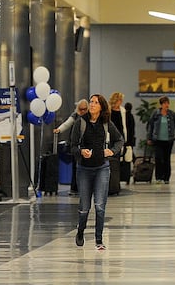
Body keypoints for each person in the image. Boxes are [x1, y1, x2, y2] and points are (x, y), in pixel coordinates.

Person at [69, 94, 123, 251]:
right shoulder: (81, 122)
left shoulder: (106, 123)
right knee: (85, 207)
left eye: (96, 103)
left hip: (102, 168)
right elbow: (72, 146)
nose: (92, 105)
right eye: (91, 102)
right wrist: (81, 151)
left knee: (100, 206)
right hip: (84, 169)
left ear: (101, 106)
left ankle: (99, 240)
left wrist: (111, 151)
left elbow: (119, 140)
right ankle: (80, 232)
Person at [54, 99, 89, 195]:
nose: (82, 111)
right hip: (76, 146)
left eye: (85, 109)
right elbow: (67, 123)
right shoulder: (75, 115)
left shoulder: (91, 117)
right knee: (76, 168)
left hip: (87, 145)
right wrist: (59, 129)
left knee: (87, 169)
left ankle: (86, 189)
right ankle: (75, 188)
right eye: (81, 109)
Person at [146, 96, 175, 184]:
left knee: (167, 159)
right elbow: (150, 126)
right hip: (157, 140)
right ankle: (158, 177)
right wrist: (149, 137)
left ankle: (166, 178)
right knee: (158, 159)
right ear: (161, 104)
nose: (167, 105)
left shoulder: (172, 114)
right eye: (165, 103)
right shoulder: (155, 113)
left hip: (169, 140)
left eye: (167, 103)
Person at [109, 92, 135, 184]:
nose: (121, 102)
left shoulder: (123, 112)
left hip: (121, 139)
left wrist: (128, 141)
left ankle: (120, 179)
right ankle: (113, 180)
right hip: (110, 139)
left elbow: (127, 127)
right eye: (120, 100)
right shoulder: (108, 111)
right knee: (112, 160)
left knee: (121, 160)